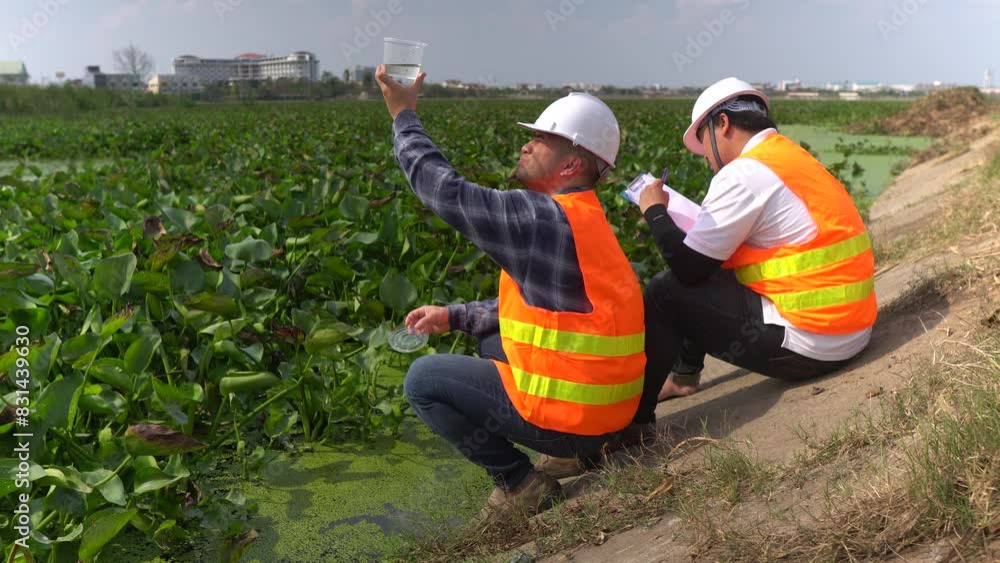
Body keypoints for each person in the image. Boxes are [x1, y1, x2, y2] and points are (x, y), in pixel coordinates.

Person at [374, 65, 646, 522]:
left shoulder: (541, 217)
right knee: (490, 341)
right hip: (609, 415)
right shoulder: (584, 215)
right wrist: (455, 316)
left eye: (540, 138)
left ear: (571, 165)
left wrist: (404, 115)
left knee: (423, 381)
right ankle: (576, 454)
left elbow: (445, 192)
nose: (526, 144)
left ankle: (519, 483)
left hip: (578, 421)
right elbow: (552, 310)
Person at [631, 77, 876, 427]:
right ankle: (684, 377)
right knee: (709, 265)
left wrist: (655, 210)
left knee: (664, 291)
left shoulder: (743, 173)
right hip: (852, 329)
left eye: (703, 144)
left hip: (815, 345)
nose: (706, 158)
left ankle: (633, 425)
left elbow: (687, 271)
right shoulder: (790, 156)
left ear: (722, 123)